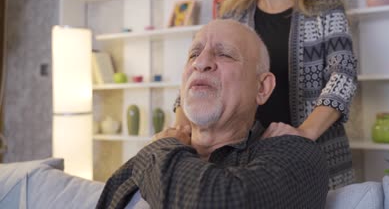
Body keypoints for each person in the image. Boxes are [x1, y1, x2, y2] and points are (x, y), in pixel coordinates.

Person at [174, 0, 358, 189]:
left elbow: (343, 75)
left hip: (318, 152)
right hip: (247, 160)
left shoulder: (323, 7)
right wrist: (181, 132)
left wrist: (303, 135)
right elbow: (200, 71)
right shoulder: (233, 14)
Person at [96, 19, 329, 209]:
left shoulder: (297, 156)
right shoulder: (147, 157)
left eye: (225, 54)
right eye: (193, 54)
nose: (201, 62)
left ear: (262, 88)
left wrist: (161, 149)